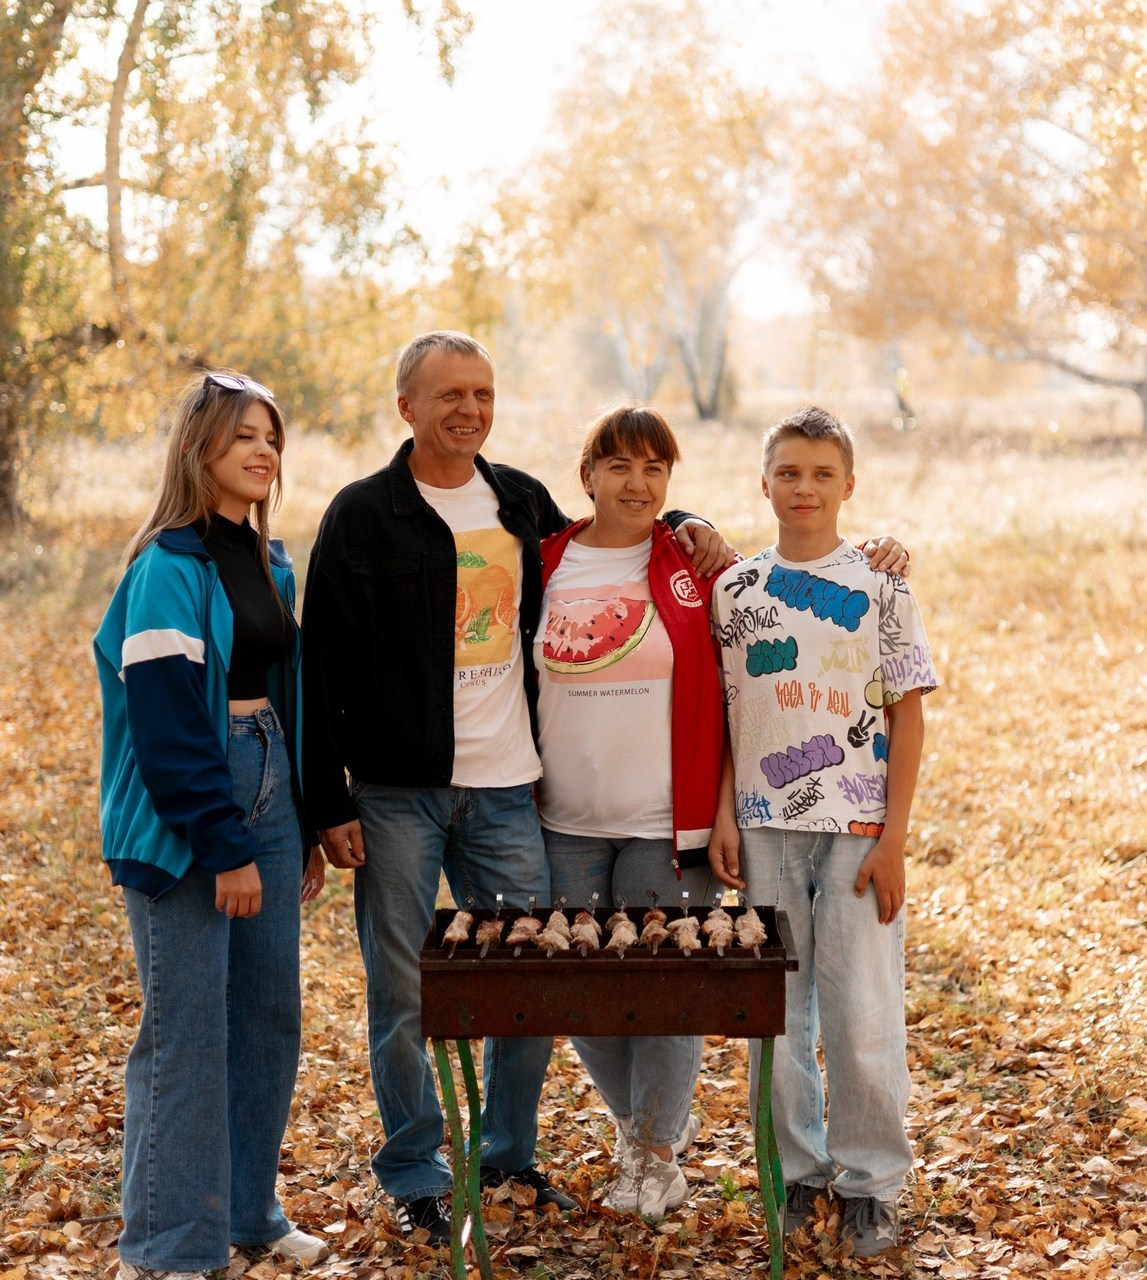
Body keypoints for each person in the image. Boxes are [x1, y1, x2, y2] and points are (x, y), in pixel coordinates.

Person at [300, 332, 734, 1243]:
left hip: (508, 790)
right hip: (397, 794)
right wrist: (326, 799)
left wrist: (690, 516)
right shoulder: (360, 515)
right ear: (406, 406)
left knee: (532, 980)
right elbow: (318, 665)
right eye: (449, 393)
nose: (469, 409)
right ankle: (416, 1169)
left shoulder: (519, 502)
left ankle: (506, 1155)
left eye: (483, 393)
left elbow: (619, 524)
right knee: (406, 988)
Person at [94, 372, 329, 1279]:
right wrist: (224, 845)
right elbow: (165, 725)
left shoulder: (270, 562)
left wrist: (298, 824)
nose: (263, 452)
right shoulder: (165, 567)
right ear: (199, 452)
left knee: (269, 1016)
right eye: (243, 438)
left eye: (271, 437)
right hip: (187, 805)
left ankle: (245, 1212)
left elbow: (286, 692)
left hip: (268, 779)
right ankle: (164, 1248)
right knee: (187, 1028)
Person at [708, 406, 938, 1258]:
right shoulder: (736, 590)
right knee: (775, 1014)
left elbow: (908, 719)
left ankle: (872, 1182)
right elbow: (732, 716)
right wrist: (730, 811)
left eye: (822, 474)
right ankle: (796, 1176)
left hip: (857, 828)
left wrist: (895, 839)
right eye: (788, 473)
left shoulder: (882, 587)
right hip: (764, 829)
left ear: (849, 485)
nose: (804, 488)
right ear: (762, 481)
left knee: (862, 1014)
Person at [535, 406, 729, 1219]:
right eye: (618, 465)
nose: (637, 482)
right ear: (587, 477)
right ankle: (637, 1131)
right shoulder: (541, 563)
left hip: (667, 818)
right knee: (577, 986)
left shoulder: (696, 565)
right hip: (559, 817)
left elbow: (742, 693)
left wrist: (724, 810)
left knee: (664, 985)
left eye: (654, 468)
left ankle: (655, 1155)